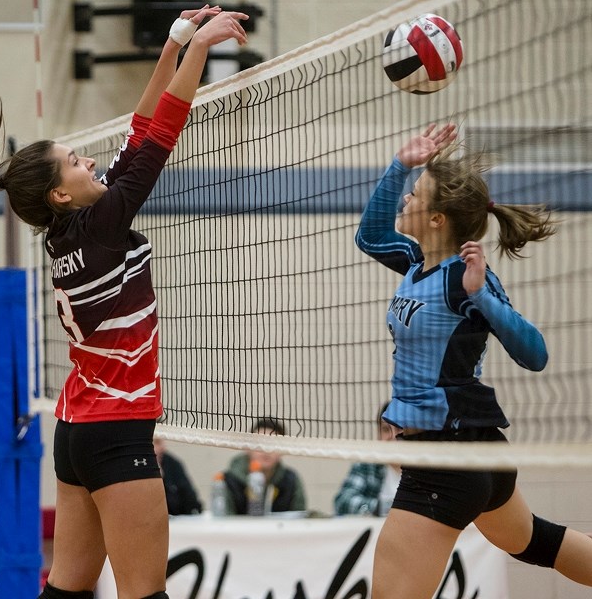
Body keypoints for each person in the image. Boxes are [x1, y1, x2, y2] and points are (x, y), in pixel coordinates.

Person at [0, 6, 248, 599]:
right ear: (61, 192)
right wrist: (200, 51)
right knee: (145, 593)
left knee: (66, 591)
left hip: (76, 434)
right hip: (117, 435)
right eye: (76, 160)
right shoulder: (102, 224)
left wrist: (174, 42)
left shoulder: (75, 230)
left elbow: (137, 133)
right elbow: (160, 136)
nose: (90, 160)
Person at [355, 123, 592, 598]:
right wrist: (402, 164)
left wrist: (483, 297)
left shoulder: (462, 278)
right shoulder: (414, 258)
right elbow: (368, 236)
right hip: (474, 452)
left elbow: (537, 355)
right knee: (535, 543)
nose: (406, 199)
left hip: (446, 459)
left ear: (439, 218)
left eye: (415, 193)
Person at [221, 418, 307, 515]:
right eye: (260, 443)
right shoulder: (228, 481)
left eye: (273, 444)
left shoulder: (292, 480)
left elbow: (299, 520)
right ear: (248, 447)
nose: (266, 450)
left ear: (283, 449)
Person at [333, 402, 399, 516]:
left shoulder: (427, 467)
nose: (392, 436)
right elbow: (342, 502)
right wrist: (383, 508)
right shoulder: (368, 465)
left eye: (399, 429)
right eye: (386, 430)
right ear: (378, 434)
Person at [153, 438, 203, 515]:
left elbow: (189, 495)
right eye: (157, 443)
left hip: (176, 516)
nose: (163, 447)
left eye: (162, 443)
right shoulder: (137, 465)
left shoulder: (172, 463)